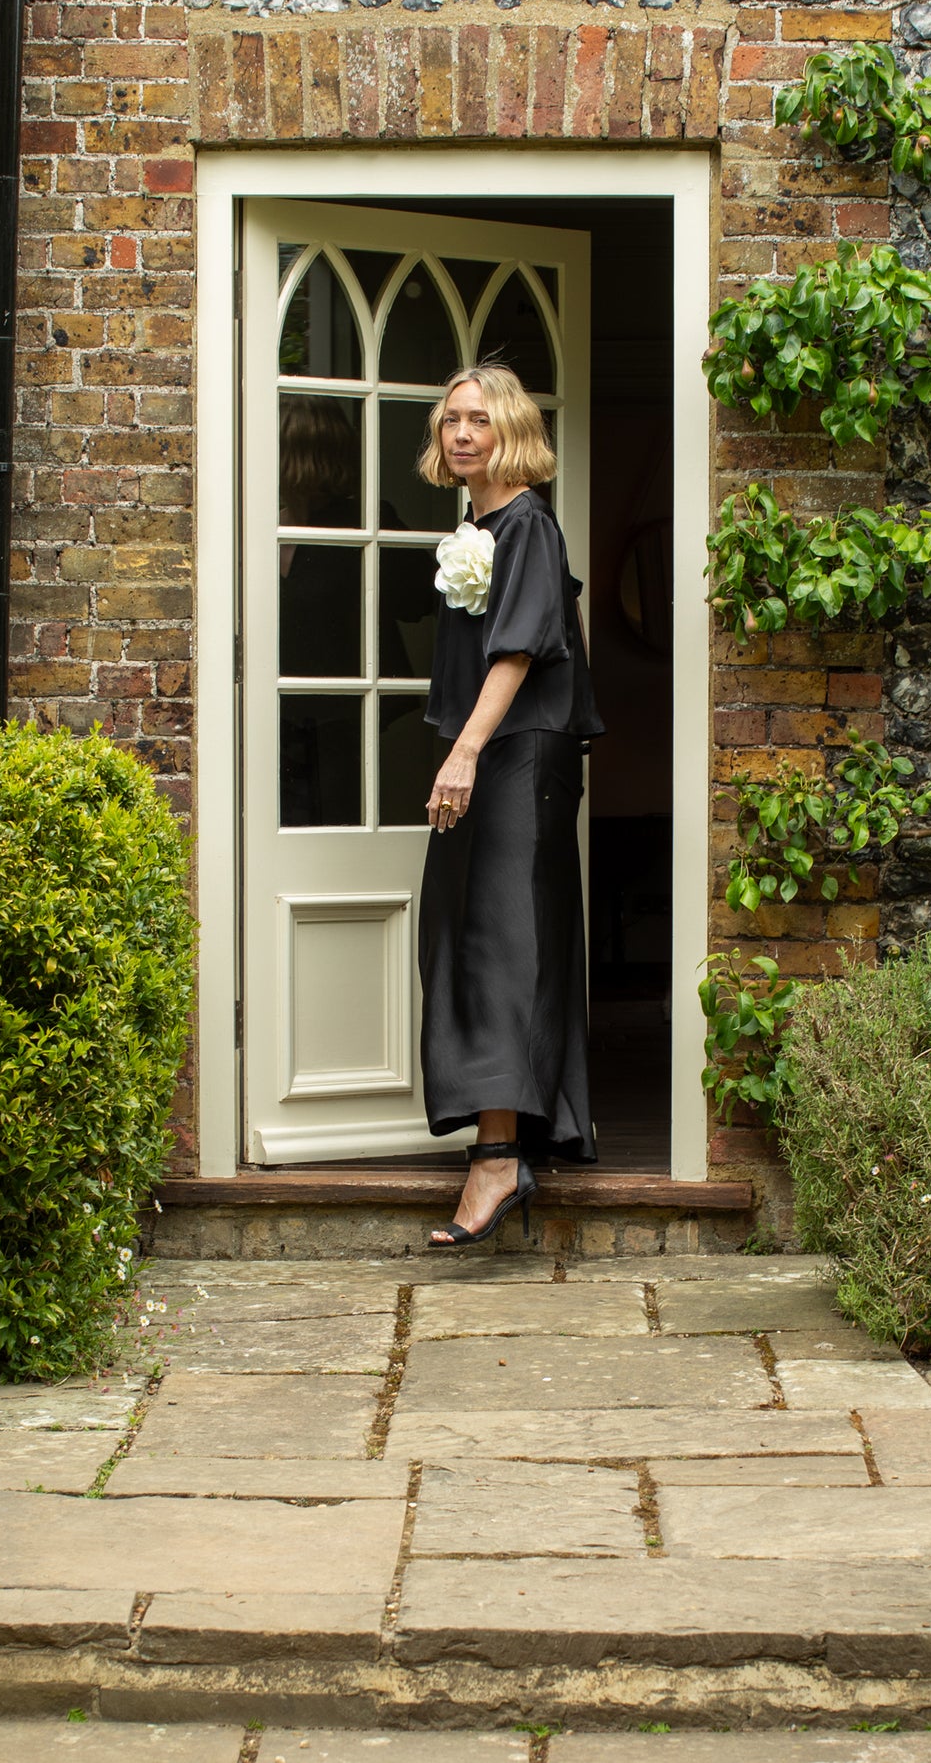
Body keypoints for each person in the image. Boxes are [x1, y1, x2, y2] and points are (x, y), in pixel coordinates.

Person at [416, 364, 605, 1249]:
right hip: (493, 755)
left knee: (497, 943)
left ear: (511, 429)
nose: (460, 434)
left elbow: (519, 654)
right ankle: (522, 1131)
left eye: (478, 421)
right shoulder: (480, 522)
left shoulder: (526, 522)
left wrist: (463, 752)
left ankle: (497, 1158)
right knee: (466, 935)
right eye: (450, 419)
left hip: (515, 757)